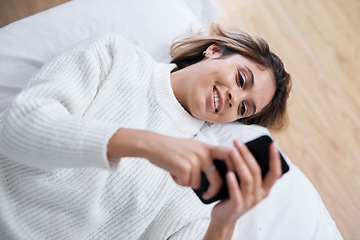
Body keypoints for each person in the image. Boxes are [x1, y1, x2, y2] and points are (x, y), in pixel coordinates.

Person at [0, 24, 291, 240]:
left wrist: (224, 223)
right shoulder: (116, 57)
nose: (234, 99)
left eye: (243, 109)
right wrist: (151, 146)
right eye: (241, 79)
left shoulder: (200, 166)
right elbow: (16, 127)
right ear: (214, 50)